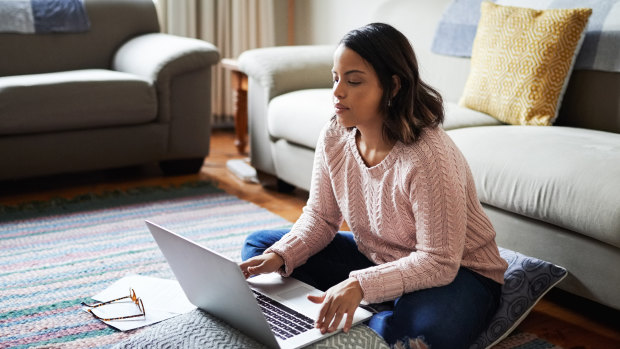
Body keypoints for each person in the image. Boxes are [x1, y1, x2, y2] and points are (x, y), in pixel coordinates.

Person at [239, 22, 508, 349]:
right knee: (260, 251)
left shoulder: (429, 157)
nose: (338, 92)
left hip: (459, 273)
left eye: (353, 81)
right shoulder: (334, 136)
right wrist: (283, 254)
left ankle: (375, 312)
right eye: (335, 78)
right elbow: (322, 218)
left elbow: (438, 262)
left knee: (423, 336)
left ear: (393, 87)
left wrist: (360, 285)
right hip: (379, 257)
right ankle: (375, 309)